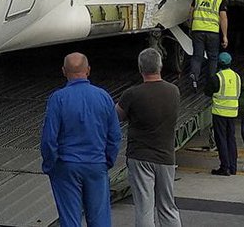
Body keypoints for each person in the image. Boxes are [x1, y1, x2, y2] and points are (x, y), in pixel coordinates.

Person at [41, 52, 121, 227]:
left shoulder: (58, 99)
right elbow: (115, 136)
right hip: (96, 165)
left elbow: (49, 139)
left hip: (66, 166)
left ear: (64, 71)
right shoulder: (104, 97)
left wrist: (51, 165)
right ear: (89, 70)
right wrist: (106, 161)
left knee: (70, 220)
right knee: (99, 219)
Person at [116, 47, 182, 227]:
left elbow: (117, 116)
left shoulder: (132, 94)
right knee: (167, 206)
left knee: (144, 208)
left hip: (140, 156)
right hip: (166, 157)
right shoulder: (173, 91)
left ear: (140, 68)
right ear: (160, 67)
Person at [188, 0, 228, 91]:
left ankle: (194, 76)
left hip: (197, 30)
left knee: (197, 56)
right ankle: (210, 83)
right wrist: (225, 36)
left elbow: (191, 12)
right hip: (212, 32)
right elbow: (223, 18)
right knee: (213, 57)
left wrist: (190, 27)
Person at [209, 52, 239, 176]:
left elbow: (207, 91)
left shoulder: (217, 77)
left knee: (221, 140)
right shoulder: (237, 76)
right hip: (232, 112)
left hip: (220, 113)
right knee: (231, 139)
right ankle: (233, 167)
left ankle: (224, 167)